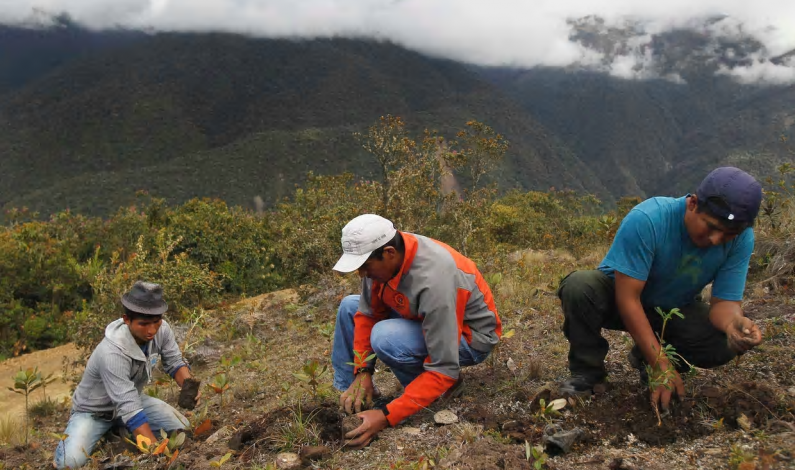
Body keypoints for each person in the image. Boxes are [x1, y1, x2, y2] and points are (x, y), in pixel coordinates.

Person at [557, 167, 764, 413]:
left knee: (722, 342)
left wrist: (733, 324)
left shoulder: (741, 239)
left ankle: (647, 355)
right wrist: (660, 364)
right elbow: (628, 299)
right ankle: (587, 373)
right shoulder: (649, 219)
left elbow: (723, 304)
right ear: (693, 204)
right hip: (618, 299)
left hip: (673, 310)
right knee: (579, 287)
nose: (716, 240)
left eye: (728, 234)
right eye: (710, 227)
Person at [331, 214, 502, 448]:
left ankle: (435, 393)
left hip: (468, 336)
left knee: (385, 337)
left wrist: (387, 416)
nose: (362, 274)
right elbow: (368, 314)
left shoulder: (434, 280)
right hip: (423, 316)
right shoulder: (385, 258)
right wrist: (362, 371)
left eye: (365, 266)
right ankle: (352, 398)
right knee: (350, 306)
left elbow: (444, 368)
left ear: (389, 253)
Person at [54, 281, 198, 469]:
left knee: (182, 427)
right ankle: (108, 431)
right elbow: (127, 405)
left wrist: (188, 386)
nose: (151, 330)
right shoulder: (112, 352)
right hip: (95, 412)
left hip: (132, 402)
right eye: (143, 324)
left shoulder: (162, 330)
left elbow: (174, 362)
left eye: (156, 322)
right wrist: (156, 451)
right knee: (69, 463)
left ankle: (119, 430)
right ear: (127, 319)